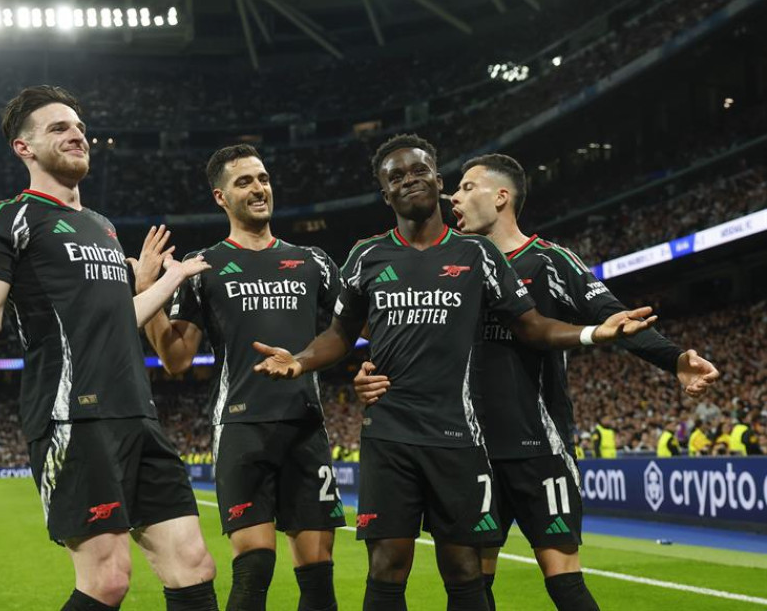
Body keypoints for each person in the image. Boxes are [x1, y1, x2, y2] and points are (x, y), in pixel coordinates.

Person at [252, 134, 659, 611]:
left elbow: (531, 326)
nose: (409, 180)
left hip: (460, 438)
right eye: (396, 177)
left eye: (418, 170)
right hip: (389, 435)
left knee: (465, 570)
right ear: (385, 194)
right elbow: (341, 334)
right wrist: (300, 360)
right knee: (386, 565)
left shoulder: (477, 253)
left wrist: (593, 332)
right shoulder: (367, 255)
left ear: (438, 181)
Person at [0, 86, 219, 611]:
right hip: (71, 413)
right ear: (25, 148)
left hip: (137, 413)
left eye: (80, 127)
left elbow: (119, 320)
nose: (77, 135)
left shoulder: (103, 227)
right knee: (107, 579)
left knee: (192, 564)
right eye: (59, 128)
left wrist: (168, 281)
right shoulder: (8, 215)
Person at [352, 149, 719, 611]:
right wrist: (374, 368)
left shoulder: (550, 261)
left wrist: (674, 359)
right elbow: (390, 325)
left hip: (538, 447)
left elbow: (616, 319)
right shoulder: (457, 262)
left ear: (501, 197)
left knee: (564, 581)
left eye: (467, 187)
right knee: (470, 583)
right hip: (470, 451)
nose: (453, 197)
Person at [140, 144, 344, 611]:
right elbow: (175, 358)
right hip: (241, 428)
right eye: (244, 181)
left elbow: (352, 331)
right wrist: (147, 290)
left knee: (319, 577)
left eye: (263, 178)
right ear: (221, 197)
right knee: (254, 570)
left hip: (306, 426)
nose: (259, 188)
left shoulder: (312, 260)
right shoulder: (202, 266)